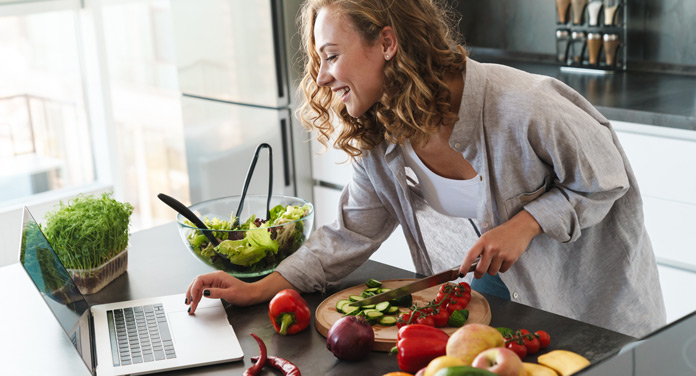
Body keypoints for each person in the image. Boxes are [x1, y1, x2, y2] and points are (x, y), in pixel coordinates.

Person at [185, 0, 665, 338]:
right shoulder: (379, 135)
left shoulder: (525, 105)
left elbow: (606, 181)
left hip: (595, 316)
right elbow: (350, 234)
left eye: (331, 55)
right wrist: (260, 287)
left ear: (387, 43)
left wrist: (526, 224)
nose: (323, 75)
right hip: (499, 310)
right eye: (319, 60)